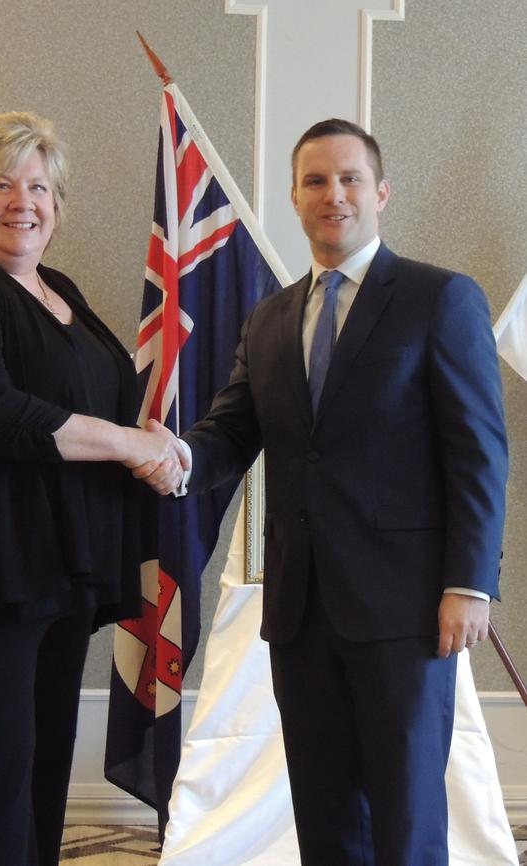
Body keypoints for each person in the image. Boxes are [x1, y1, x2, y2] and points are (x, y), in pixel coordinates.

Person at [135, 119, 508, 865]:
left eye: (348, 179)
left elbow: (478, 453)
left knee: (407, 817)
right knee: (326, 813)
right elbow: (231, 433)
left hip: (406, 613)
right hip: (301, 615)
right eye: (314, 181)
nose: (332, 194)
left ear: (380, 193)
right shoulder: (271, 318)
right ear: (296, 199)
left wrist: (470, 583)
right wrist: (175, 457)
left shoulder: (440, 299)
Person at [0, 111, 188, 866]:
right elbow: (1, 415)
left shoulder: (60, 290)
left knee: (45, 770)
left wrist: (161, 444)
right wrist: (131, 444)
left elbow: (100, 395)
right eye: (1, 183)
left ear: (58, 205)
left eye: (39, 186)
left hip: (55, 577)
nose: (24, 200)